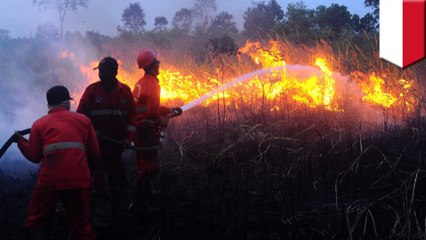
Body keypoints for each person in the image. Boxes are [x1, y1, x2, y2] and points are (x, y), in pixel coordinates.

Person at [13, 85, 100, 240]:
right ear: (67, 103)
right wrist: (89, 177)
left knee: (37, 221)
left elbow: (34, 156)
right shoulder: (83, 120)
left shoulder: (39, 124)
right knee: (81, 228)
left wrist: (20, 141)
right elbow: (94, 154)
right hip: (78, 180)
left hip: (50, 182)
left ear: (49, 105)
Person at [77, 56, 137, 220]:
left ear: (115, 72)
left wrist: (128, 138)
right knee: (95, 181)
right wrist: (91, 134)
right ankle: (94, 216)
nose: (102, 74)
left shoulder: (125, 91)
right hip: (96, 147)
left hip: (116, 147)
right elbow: (80, 118)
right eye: (101, 71)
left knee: (118, 180)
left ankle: (118, 212)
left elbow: (132, 117)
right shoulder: (91, 91)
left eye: (105, 71)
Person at [131, 49, 182, 213]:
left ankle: (147, 194)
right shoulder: (153, 85)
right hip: (146, 131)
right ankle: (139, 206)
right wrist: (164, 120)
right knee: (150, 168)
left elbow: (146, 107)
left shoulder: (141, 82)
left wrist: (167, 109)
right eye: (157, 61)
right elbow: (152, 114)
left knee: (143, 164)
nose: (159, 64)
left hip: (137, 130)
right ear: (152, 65)